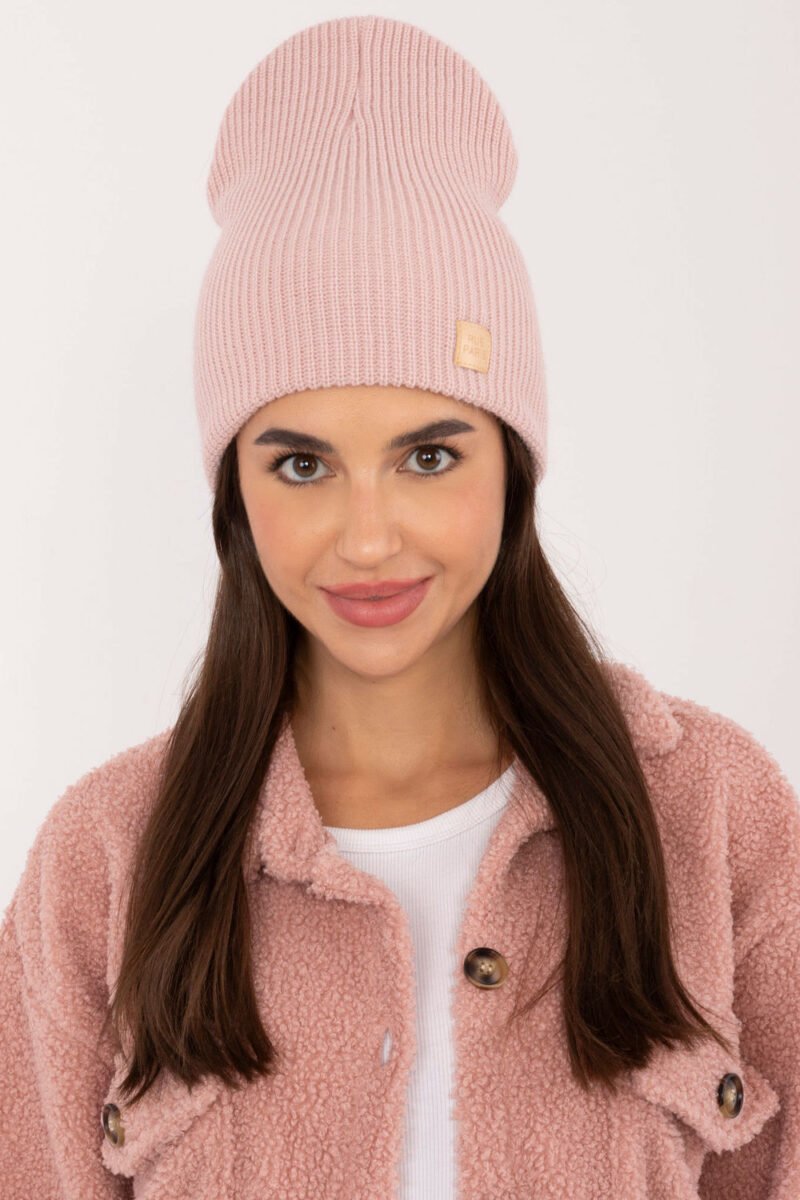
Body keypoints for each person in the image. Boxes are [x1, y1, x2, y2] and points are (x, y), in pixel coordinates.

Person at [1, 15, 798, 1200]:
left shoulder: (712, 814)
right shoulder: (103, 860)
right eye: (300, 464)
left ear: (510, 465)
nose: (367, 537)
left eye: (428, 457)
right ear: (233, 492)